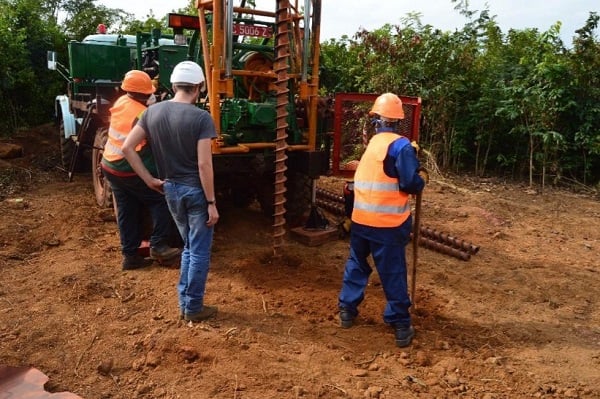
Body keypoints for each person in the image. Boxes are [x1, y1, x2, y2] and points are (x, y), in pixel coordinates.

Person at [122, 61, 219, 322]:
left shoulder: (151, 113)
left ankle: (186, 304)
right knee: (198, 250)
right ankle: (194, 308)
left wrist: (149, 180)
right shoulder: (201, 118)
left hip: (171, 190)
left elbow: (127, 148)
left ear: (173, 85)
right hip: (196, 193)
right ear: (198, 88)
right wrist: (211, 202)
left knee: (188, 246)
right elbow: (203, 163)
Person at [337, 93, 428, 348]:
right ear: (399, 120)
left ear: (377, 120)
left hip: (361, 220)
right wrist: (422, 179)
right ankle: (400, 324)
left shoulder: (374, 146)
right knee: (392, 272)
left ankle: (347, 310)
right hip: (387, 224)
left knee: (356, 265)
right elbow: (410, 182)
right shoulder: (401, 146)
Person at [101, 70, 181, 271]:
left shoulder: (120, 102)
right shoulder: (143, 114)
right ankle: (159, 246)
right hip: (126, 168)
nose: (151, 96)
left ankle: (130, 256)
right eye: (149, 93)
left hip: (109, 165)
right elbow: (156, 142)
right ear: (144, 94)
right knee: (161, 198)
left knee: (127, 210)